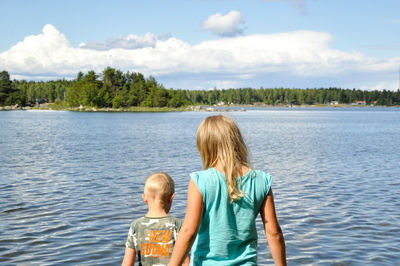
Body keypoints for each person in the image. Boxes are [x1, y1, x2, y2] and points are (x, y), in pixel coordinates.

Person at [169, 115, 286, 266]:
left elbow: (188, 231)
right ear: (237, 141)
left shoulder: (200, 181)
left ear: (205, 146)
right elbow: (274, 233)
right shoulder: (261, 180)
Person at [122, 172, 190, 266]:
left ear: (144, 198)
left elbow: (127, 263)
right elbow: (186, 262)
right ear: (171, 198)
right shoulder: (177, 224)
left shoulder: (135, 226)